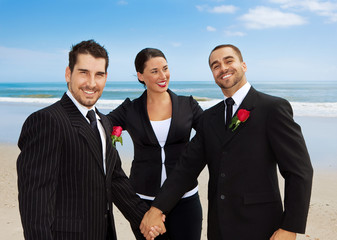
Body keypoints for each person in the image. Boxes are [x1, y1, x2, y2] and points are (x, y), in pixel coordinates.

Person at [140, 44, 313, 240]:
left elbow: (300, 171)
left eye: (229, 61)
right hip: (219, 228)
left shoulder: (272, 109)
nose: (222, 68)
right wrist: (157, 208)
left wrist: (290, 227)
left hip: (263, 228)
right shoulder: (209, 118)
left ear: (243, 65)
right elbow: (186, 168)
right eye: (215, 65)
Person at [17, 40, 153, 240]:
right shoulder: (46, 121)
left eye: (99, 75)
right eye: (83, 72)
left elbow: (115, 180)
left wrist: (147, 220)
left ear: (106, 78)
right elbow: (35, 204)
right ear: (68, 74)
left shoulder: (104, 122)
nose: (91, 83)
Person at [107, 48, 204, 240]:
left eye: (165, 69)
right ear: (140, 76)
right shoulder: (130, 109)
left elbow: (213, 133)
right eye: (154, 71)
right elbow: (100, 126)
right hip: (143, 203)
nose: (163, 76)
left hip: (185, 200)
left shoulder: (188, 105)